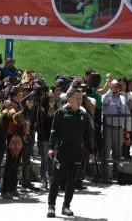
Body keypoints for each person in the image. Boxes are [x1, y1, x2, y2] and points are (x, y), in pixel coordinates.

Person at [47, 87, 94, 219]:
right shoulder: (60, 113)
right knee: (56, 179)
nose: (80, 101)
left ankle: (66, 206)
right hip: (62, 151)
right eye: (77, 99)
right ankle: (51, 206)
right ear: (70, 98)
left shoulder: (83, 114)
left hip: (77, 152)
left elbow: (87, 135)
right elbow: (54, 132)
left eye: (81, 99)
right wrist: (52, 147)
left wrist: (91, 152)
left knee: (72, 180)